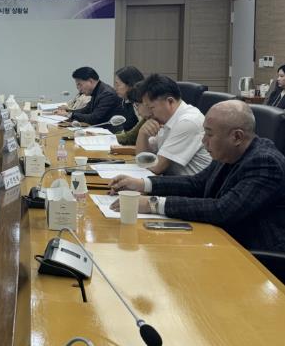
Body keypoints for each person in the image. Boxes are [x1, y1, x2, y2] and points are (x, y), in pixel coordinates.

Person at [109, 100, 285, 252]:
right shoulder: (231, 151)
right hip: (222, 238)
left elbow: (223, 210)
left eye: (209, 134)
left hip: (254, 255)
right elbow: (196, 183)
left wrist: (152, 204)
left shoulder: (265, 163)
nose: (203, 140)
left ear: (237, 136)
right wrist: (142, 184)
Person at [135, 74, 211, 175]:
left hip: (193, 184)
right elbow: (142, 159)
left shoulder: (188, 122)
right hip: (174, 180)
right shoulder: (167, 120)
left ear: (170, 101)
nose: (149, 113)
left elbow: (157, 167)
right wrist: (142, 134)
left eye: (151, 108)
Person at [55, 67, 123, 131]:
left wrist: (69, 115)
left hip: (109, 133)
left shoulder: (107, 94)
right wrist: (68, 111)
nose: (78, 88)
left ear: (90, 81)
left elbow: (94, 118)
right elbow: (86, 110)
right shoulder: (97, 90)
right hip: (97, 129)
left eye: (80, 84)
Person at [114, 66, 144, 131]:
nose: (115, 88)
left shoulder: (139, 103)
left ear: (130, 84)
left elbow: (139, 131)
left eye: (118, 85)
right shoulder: (124, 100)